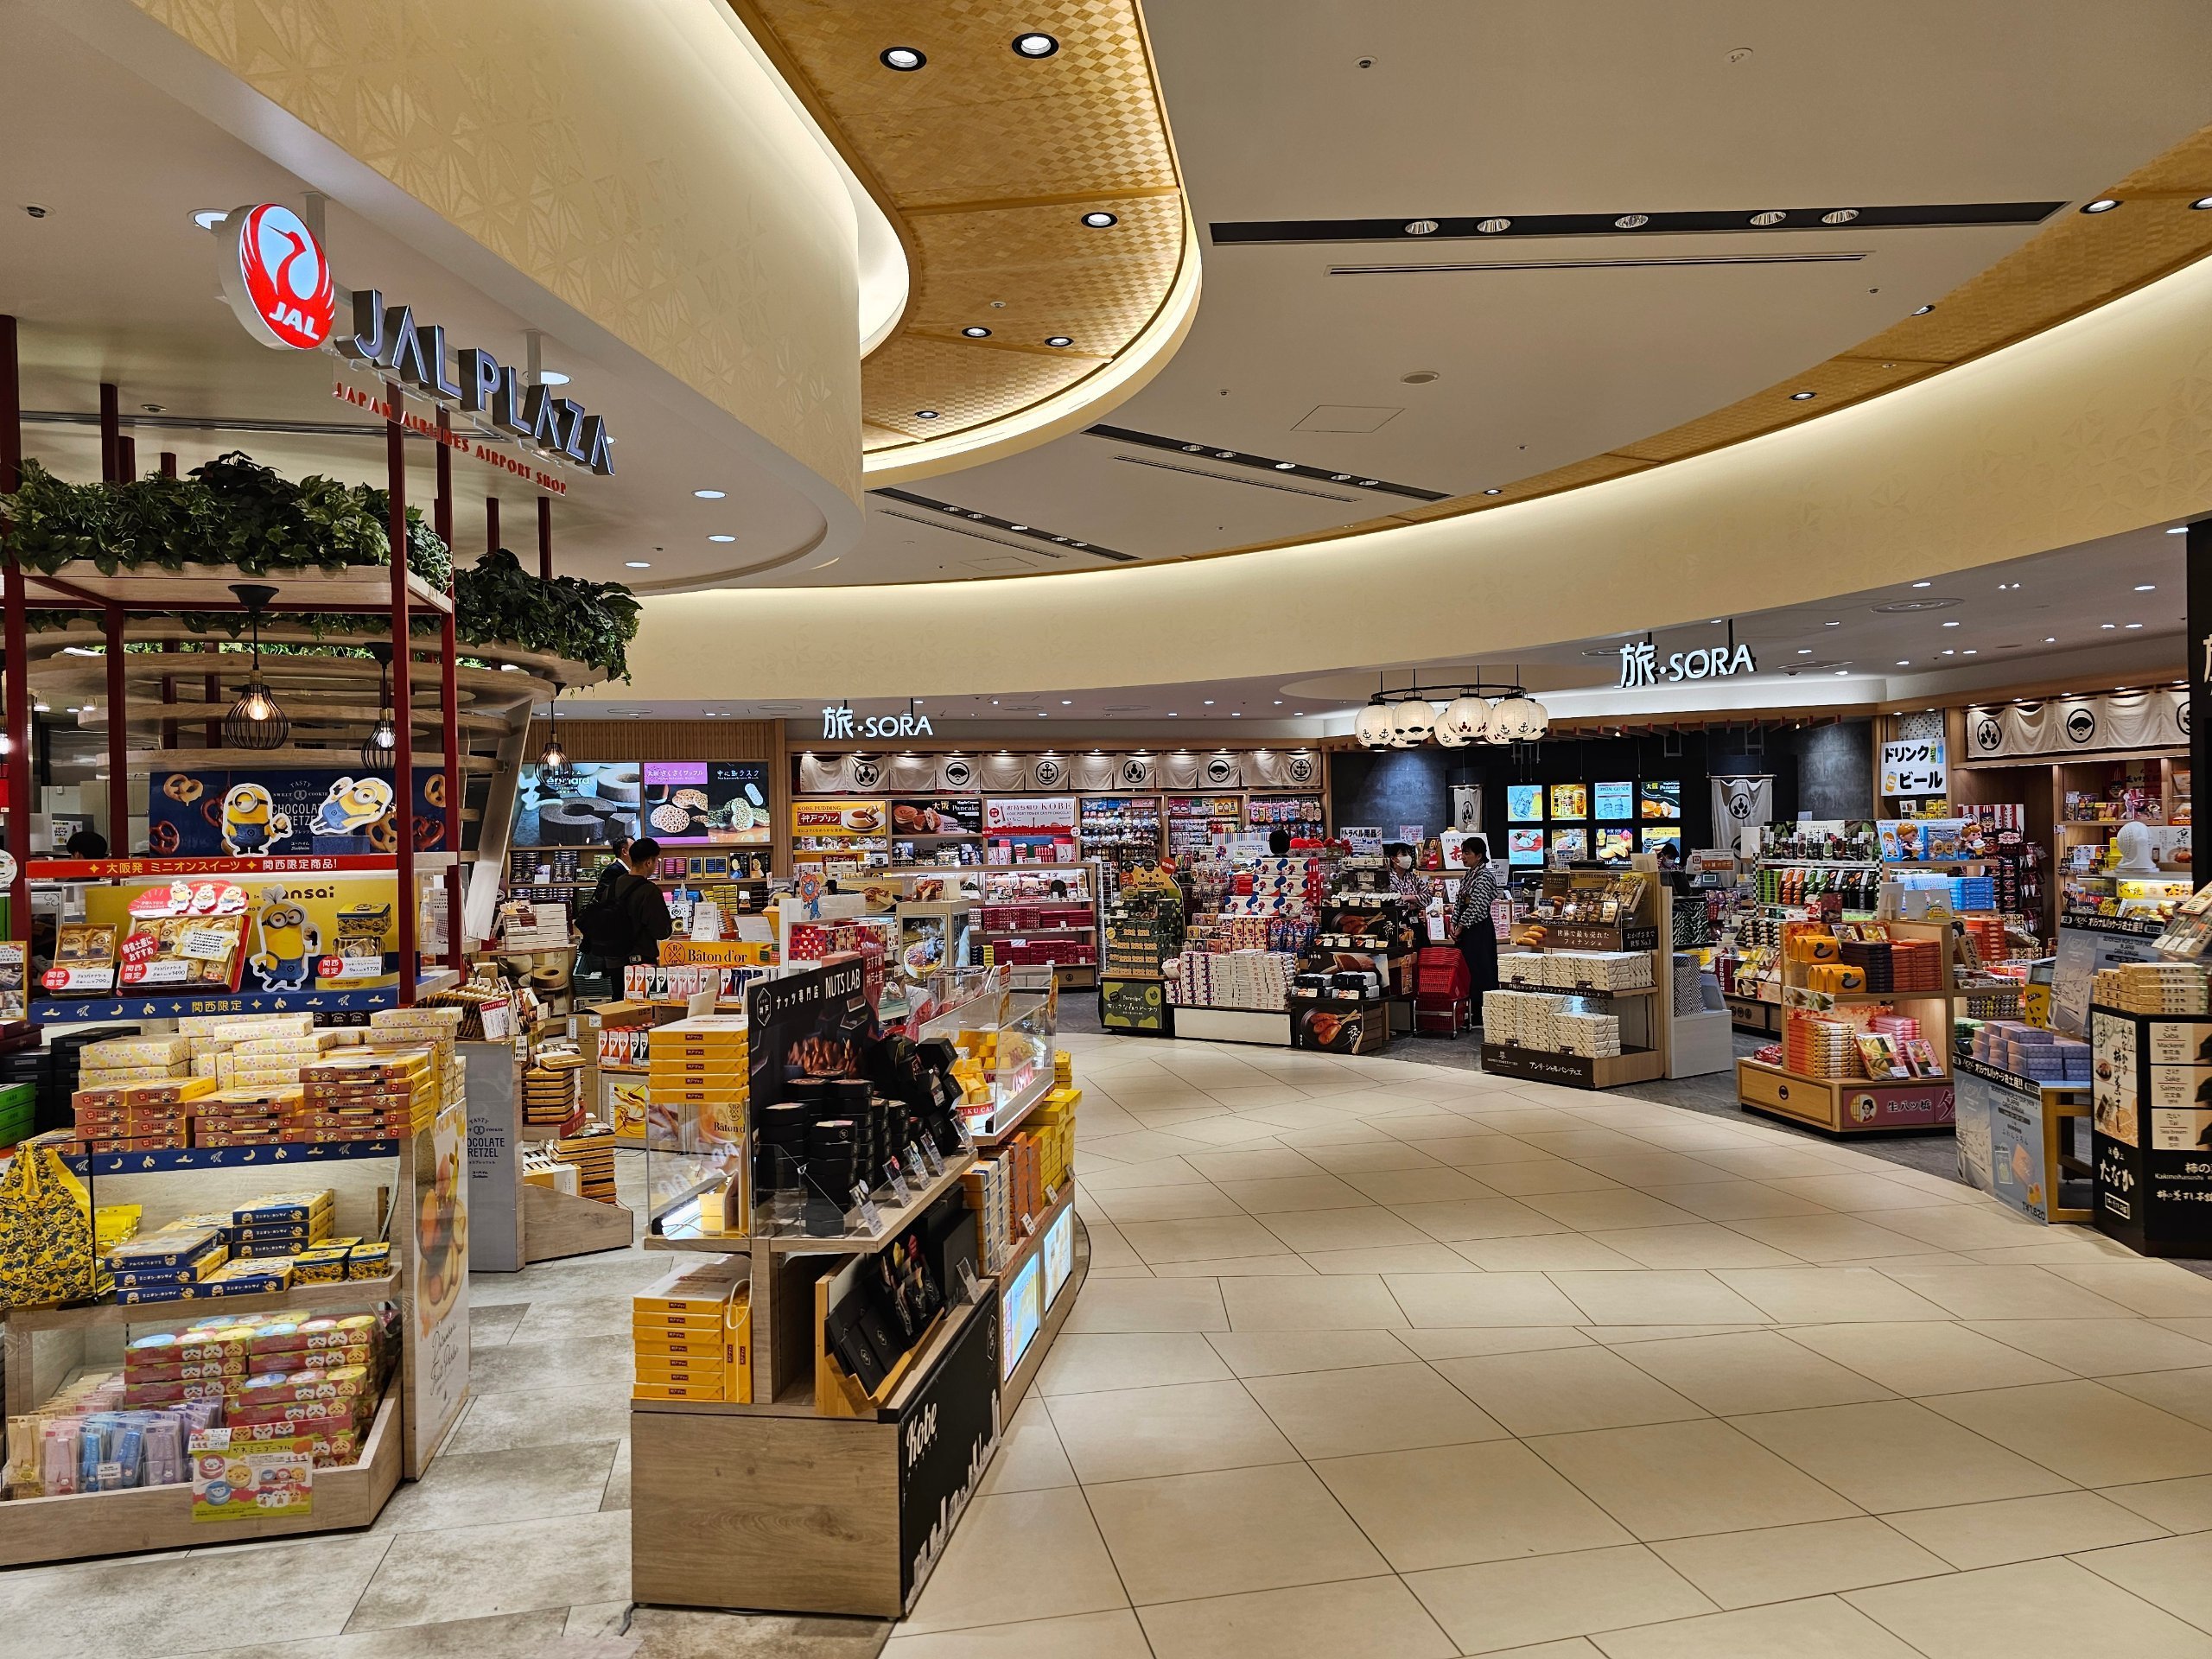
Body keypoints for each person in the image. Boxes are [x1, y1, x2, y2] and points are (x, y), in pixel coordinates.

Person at [576, 835, 673, 973]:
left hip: (613, 961)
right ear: (649, 862)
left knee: (618, 988)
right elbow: (661, 931)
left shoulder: (612, 885)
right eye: (656, 860)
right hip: (641, 964)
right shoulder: (649, 891)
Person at [1448, 835, 1502, 1015]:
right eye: (1462, 852)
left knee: (1480, 967)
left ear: (1479, 856)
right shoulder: (1469, 874)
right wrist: (1453, 922)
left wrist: (1461, 925)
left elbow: (1477, 906)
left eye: (1467, 853)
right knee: (1465, 968)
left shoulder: (1485, 876)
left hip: (1479, 927)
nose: (1463, 856)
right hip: (1465, 927)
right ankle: (1467, 1007)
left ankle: (1481, 1011)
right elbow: (1460, 901)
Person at [1384, 842, 1433, 948]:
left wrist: (1410, 898)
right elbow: (1391, 900)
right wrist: (1413, 902)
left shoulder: (1413, 877)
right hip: (1394, 922)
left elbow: (1429, 896)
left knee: (1420, 949)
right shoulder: (1387, 878)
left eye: (1409, 854)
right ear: (1393, 859)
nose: (1408, 858)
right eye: (1404, 854)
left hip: (1414, 919)